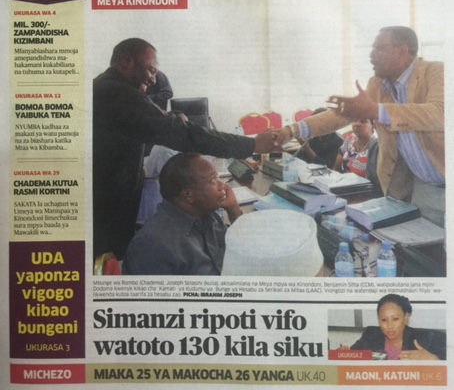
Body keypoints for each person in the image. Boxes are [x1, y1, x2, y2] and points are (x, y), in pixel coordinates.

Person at [93, 37, 277, 260]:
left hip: (115, 206)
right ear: (127, 61)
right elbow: (182, 134)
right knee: (108, 260)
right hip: (108, 212)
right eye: (151, 70)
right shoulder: (116, 92)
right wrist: (252, 144)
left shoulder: (108, 88)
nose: (153, 79)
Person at [274, 26, 444, 224]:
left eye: (378, 48)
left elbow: (440, 113)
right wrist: (292, 130)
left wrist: (377, 111)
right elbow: (342, 116)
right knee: (425, 241)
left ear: (402, 50)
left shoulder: (436, 72)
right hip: (425, 187)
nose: (371, 55)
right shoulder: (378, 84)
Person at [123, 153, 242, 275]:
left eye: (217, 177)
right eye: (212, 180)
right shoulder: (152, 246)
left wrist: (234, 211)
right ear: (188, 195)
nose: (222, 185)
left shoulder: (208, 214)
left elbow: (241, 251)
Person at [349, 294, 445, 360]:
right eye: (384, 320)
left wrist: (434, 360)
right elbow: (351, 355)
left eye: (395, 319)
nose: (390, 326)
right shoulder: (370, 334)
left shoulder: (427, 339)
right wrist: (344, 354)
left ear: (406, 317)